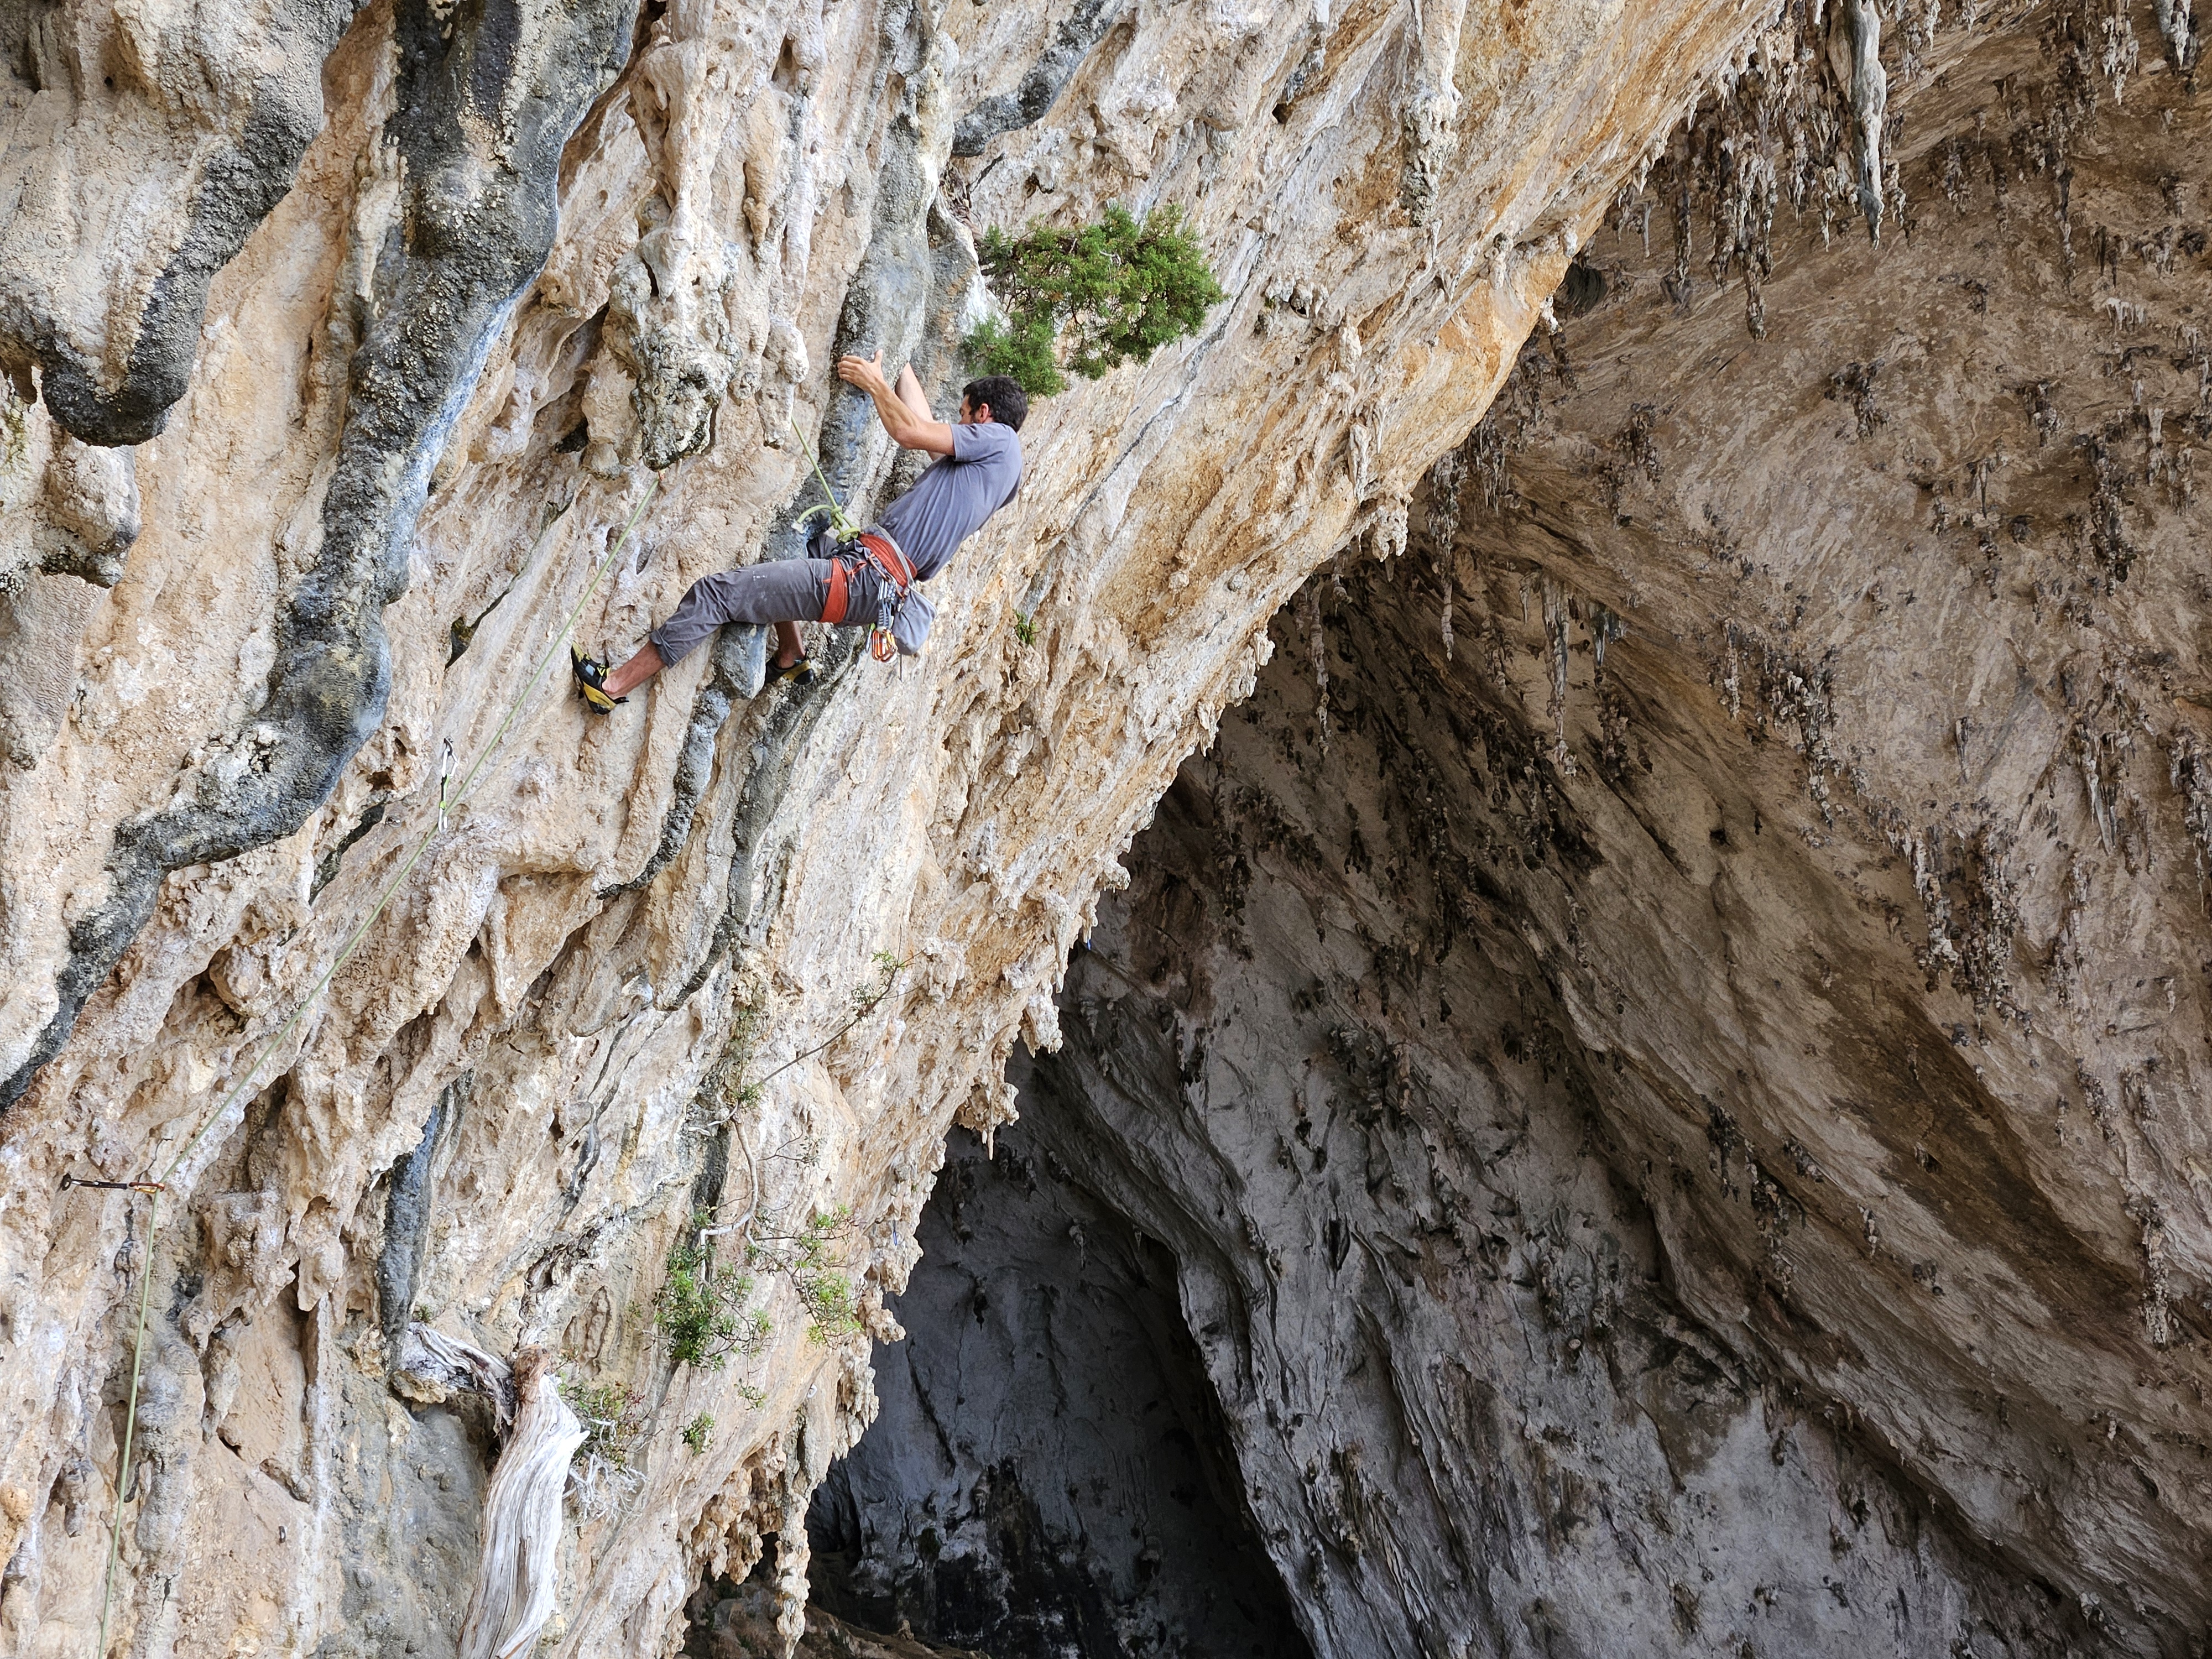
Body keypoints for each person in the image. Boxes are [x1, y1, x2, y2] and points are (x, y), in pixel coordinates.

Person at [573, 354, 1025, 709]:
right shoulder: (1001, 474)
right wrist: (899, 364)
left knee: (716, 594)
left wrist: (874, 384)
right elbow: (924, 425)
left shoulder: (1000, 439)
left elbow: (911, 432)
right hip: (875, 578)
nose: (959, 423)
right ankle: (791, 655)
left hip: (863, 577)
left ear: (984, 415)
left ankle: (611, 687)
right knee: (803, 538)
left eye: (964, 416)